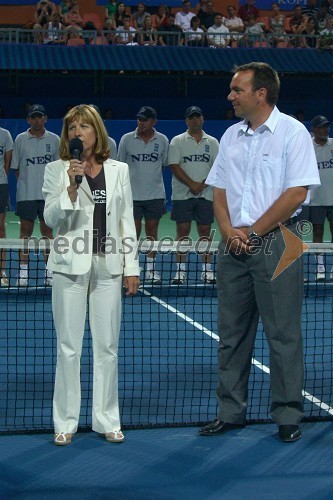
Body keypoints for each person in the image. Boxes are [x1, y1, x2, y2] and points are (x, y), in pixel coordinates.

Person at [200, 62, 320, 442]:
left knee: (282, 333)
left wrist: (251, 231)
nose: (230, 96)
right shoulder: (232, 135)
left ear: (261, 94)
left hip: (283, 240)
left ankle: (288, 415)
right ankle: (230, 412)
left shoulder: (293, 133)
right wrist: (227, 231)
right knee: (231, 334)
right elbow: (218, 189)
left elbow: (297, 193)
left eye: (237, 90)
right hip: (233, 242)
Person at [42, 104, 140, 446]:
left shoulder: (119, 171)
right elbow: (51, 217)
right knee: (68, 347)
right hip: (70, 266)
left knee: (107, 347)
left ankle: (106, 419)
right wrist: (70, 187)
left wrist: (132, 268)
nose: (77, 132)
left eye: (84, 126)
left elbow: (126, 220)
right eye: (71, 127)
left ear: (96, 131)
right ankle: (65, 422)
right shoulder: (57, 170)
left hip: (109, 266)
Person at [118, 106, 169, 284]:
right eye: (139, 119)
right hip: (131, 196)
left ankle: (151, 269)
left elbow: (162, 165)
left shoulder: (162, 140)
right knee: (132, 233)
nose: (141, 123)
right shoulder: (126, 139)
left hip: (154, 195)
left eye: (145, 120)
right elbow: (120, 166)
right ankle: (131, 268)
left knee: (152, 232)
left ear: (153, 121)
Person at [168, 106, 219, 284]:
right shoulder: (177, 141)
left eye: (198, 117)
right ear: (186, 121)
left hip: (206, 194)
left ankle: (207, 271)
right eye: (191, 118)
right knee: (182, 232)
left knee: (205, 232)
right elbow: (174, 165)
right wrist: (192, 185)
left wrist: (201, 185)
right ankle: (180, 272)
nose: (195, 120)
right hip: (183, 195)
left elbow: (217, 167)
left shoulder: (212, 142)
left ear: (202, 119)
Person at [10, 104, 60, 286]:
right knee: (25, 233)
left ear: (45, 118)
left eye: (40, 117)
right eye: (33, 117)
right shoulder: (20, 139)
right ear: (28, 120)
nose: (37, 120)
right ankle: (23, 273)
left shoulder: (54, 140)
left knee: (48, 233)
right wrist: (28, 184)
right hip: (26, 195)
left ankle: (50, 272)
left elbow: (58, 169)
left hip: (48, 196)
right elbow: (16, 168)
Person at [308, 115, 333, 280]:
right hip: (316, 198)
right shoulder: (307, 147)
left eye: (327, 126)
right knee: (317, 232)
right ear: (314, 130)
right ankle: (320, 268)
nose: (326, 129)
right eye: (322, 127)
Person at [0, 126, 13, 287]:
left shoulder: (5, 134)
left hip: (0, 185)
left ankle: (1, 270)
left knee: (0, 229)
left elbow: (8, 163)